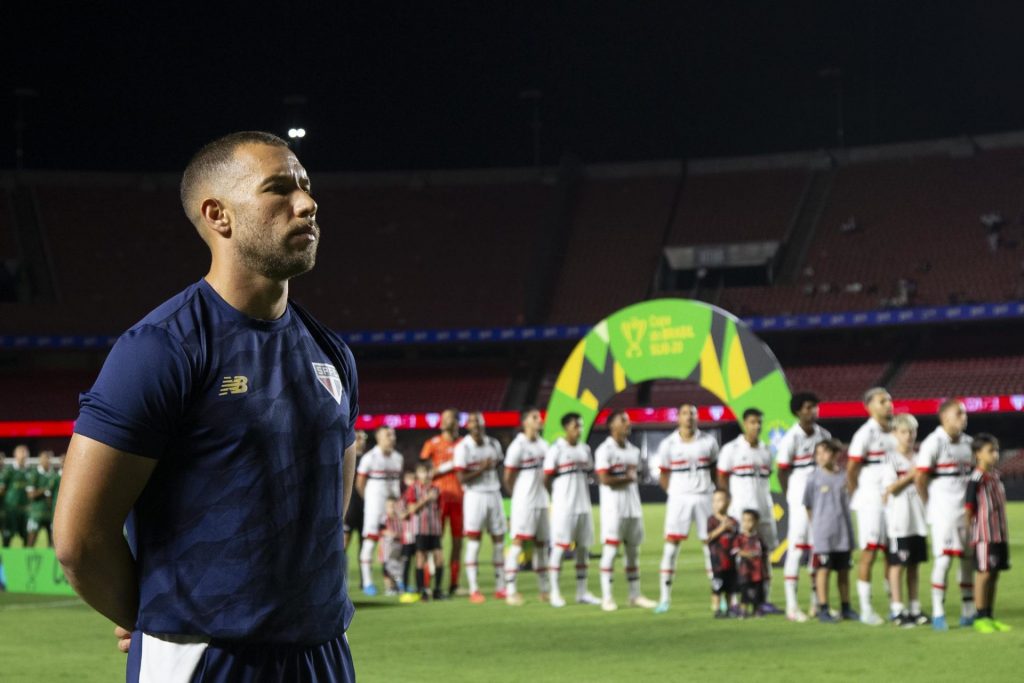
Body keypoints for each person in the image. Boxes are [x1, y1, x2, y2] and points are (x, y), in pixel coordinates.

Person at [53, 131, 359, 681]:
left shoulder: (332, 354)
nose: (308, 203)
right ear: (219, 215)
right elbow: (79, 538)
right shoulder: (161, 349)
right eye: (279, 189)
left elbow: (329, 510)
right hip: (205, 659)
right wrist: (151, 616)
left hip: (323, 654)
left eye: (307, 187)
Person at [914, 399, 975, 631]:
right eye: (959, 413)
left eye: (964, 414)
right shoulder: (934, 442)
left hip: (966, 512)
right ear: (945, 418)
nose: (964, 417)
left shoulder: (969, 443)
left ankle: (968, 609)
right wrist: (930, 504)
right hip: (944, 513)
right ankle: (939, 611)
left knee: (967, 559)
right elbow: (920, 479)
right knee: (945, 559)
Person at [653, 404, 719, 614]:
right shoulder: (668, 444)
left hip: (704, 497)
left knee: (710, 546)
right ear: (678, 418)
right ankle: (664, 599)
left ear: (697, 417)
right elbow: (663, 475)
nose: (688, 417)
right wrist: (674, 493)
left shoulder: (708, 442)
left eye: (692, 413)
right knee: (671, 547)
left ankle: (718, 596)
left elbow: (714, 471)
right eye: (684, 413)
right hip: (679, 499)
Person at [717, 408, 779, 613]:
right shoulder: (731, 449)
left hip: (763, 507)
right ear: (744, 423)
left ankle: (764, 598)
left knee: (765, 552)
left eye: (759, 422)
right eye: (753, 422)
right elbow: (722, 479)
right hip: (740, 510)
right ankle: (736, 601)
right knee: (738, 555)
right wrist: (726, 507)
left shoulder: (766, 450)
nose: (757, 426)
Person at [776, 392, 831, 622]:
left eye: (815, 407)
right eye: (808, 407)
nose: (813, 411)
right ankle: (791, 606)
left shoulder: (823, 435)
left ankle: (815, 603)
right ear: (797, 411)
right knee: (797, 547)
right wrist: (792, 495)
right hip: (799, 495)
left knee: (817, 548)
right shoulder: (791, 438)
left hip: (820, 495)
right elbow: (782, 470)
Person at [594, 411, 656, 611]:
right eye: (623, 420)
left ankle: (635, 595)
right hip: (614, 509)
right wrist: (628, 478)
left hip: (633, 508)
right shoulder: (605, 450)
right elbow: (604, 480)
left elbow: (639, 475)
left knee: (633, 553)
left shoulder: (634, 451)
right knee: (611, 551)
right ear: (612, 425)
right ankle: (607, 597)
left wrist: (640, 473)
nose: (628, 423)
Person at [847, 387, 895, 626]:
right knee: (870, 552)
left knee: (892, 553)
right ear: (869, 407)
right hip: (871, 502)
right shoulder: (865, 434)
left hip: (893, 501)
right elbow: (851, 469)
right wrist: (860, 494)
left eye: (889, 400)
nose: (888, 404)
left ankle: (894, 606)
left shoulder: (895, 431)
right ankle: (866, 609)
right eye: (882, 401)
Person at [544, 413, 599, 608]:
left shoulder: (585, 449)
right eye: (576, 426)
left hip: (583, 506)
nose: (579, 429)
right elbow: (546, 479)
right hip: (563, 508)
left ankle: (582, 592)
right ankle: (555, 592)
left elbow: (590, 473)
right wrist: (557, 499)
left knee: (583, 548)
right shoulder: (556, 449)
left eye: (581, 426)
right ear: (566, 427)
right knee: (559, 547)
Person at [454, 412, 507, 604]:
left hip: (494, 493)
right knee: (474, 542)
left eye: (479, 420)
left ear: (484, 423)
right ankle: (474, 589)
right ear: (467, 426)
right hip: (474, 496)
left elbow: (500, 464)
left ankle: (501, 587)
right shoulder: (463, 447)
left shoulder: (493, 443)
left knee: (499, 541)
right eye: (472, 421)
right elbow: (461, 478)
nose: (476, 424)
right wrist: (482, 469)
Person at [882, 414, 929, 627]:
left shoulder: (921, 457)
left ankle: (915, 608)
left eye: (911, 431)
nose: (908, 436)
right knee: (897, 564)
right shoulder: (889, 459)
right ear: (895, 434)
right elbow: (890, 488)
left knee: (914, 565)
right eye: (903, 431)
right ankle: (897, 609)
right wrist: (912, 475)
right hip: (899, 520)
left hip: (918, 518)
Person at [804, 438, 857, 624]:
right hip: (823, 534)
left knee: (843, 571)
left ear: (835, 455)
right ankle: (823, 608)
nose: (820, 457)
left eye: (824, 452)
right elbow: (808, 505)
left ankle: (846, 607)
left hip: (842, 532)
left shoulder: (844, 477)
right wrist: (816, 526)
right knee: (823, 570)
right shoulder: (813, 478)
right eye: (817, 453)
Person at [502, 407, 551, 606]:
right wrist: (518, 497)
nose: (539, 420)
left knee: (542, 545)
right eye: (534, 417)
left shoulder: (544, 445)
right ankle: (510, 590)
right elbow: (507, 477)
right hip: (524, 503)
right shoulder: (517, 446)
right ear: (525, 422)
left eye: (539, 417)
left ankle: (544, 590)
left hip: (541, 501)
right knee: (518, 544)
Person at [965, 434, 1012, 634]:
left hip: (999, 534)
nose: (995, 454)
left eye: (996, 450)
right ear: (978, 454)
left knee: (994, 574)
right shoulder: (976, 478)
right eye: (990, 450)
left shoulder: (995, 475)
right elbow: (968, 509)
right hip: (985, 535)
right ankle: (979, 616)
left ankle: (990, 616)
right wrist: (970, 534)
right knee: (983, 574)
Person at [356, 426, 404, 596]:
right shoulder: (369, 458)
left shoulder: (398, 458)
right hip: (374, 505)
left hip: (393, 507)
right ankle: (368, 582)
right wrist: (369, 501)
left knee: (395, 545)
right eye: (387, 435)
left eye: (393, 435)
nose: (391, 438)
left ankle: (395, 582)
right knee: (370, 541)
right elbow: (360, 483)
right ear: (378, 438)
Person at [420, 408, 463, 596]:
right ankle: (428, 584)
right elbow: (423, 472)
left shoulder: (464, 444)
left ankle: (454, 583)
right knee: (433, 543)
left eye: (448, 418)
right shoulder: (432, 443)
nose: (444, 421)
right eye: (443, 418)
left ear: (456, 422)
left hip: (460, 498)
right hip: (438, 500)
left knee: (457, 543)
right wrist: (448, 466)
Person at [403, 462, 443, 602]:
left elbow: (439, 509)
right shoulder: (413, 489)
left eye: (428, 472)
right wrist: (426, 499)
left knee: (439, 558)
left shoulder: (436, 488)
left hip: (435, 528)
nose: (425, 475)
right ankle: (422, 591)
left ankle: (437, 590)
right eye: (422, 472)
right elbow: (412, 509)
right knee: (420, 558)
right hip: (420, 528)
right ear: (418, 474)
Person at [705, 489, 739, 618]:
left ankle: (731, 608)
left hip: (731, 561)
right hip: (717, 562)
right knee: (717, 585)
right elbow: (708, 537)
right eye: (714, 501)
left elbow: (737, 538)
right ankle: (717, 608)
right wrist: (722, 528)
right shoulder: (712, 521)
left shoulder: (733, 521)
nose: (716, 504)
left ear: (728, 502)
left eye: (720, 500)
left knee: (731, 586)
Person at [733, 510, 769, 618]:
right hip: (745, 571)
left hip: (758, 572)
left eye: (750, 521)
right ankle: (743, 610)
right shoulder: (740, 537)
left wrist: (765, 570)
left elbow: (764, 554)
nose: (746, 523)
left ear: (756, 522)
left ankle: (756, 609)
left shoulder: (759, 538)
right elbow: (735, 551)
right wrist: (747, 554)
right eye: (744, 520)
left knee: (758, 591)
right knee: (745, 591)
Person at [25, 450, 59, 547]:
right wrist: (44, 490)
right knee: (31, 540)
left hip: (50, 513)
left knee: (53, 542)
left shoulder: (54, 475)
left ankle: (51, 561)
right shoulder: (34, 474)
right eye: (44, 458)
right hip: (36, 513)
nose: (47, 460)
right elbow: (30, 495)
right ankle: (27, 560)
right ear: (40, 460)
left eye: (48, 458)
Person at [343, 430, 369, 553]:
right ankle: (338, 571)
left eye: (364, 438)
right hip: (350, 505)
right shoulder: (345, 457)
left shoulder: (369, 459)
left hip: (365, 506)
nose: (362, 441)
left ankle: (364, 572)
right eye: (359, 437)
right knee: (344, 541)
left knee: (364, 545)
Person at [1, 445, 31, 547]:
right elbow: (2, 490)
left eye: (25, 453)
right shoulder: (9, 471)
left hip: (25, 511)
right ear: (15, 455)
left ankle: (24, 561)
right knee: (7, 537)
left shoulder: (30, 471)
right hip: (11, 510)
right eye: (21, 452)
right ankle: (3, 562)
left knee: (27, 538)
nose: (23, 455)